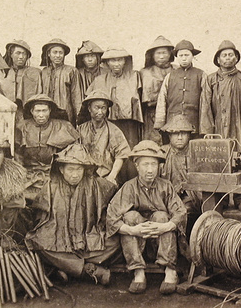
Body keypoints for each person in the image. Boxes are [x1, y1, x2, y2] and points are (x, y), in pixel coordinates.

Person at [26, 143, 119, 286]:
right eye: (70, 169)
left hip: (88, 240)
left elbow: (113, 200)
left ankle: (64, 267)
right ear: (62, 169)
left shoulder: (97, 185)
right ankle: (88, 270)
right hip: (60, 240)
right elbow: (39, 218)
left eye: (79, 169)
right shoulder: (51, 187)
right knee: (38, 242)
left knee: (116, 241)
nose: (75, 174)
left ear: (85, 169)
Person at [106, 140, 187, 295]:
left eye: (153, 165)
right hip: (138, 241)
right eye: (145, 165)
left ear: (159, 166)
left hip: (160, 240)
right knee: (129, 216)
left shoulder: (166, 186)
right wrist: (132, 230)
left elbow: (180, 212)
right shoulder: (129, 187)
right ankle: (138, 271)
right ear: (137, 166)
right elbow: (111, 216)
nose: (150, 170)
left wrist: (166, 226)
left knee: (162, 216)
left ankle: (170, 270)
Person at [200, 40, 241, 212]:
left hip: (238, 127)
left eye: (231, 55)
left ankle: (240, 198)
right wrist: (208, 132)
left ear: (236, 57)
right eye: (224, 55)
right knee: (220, 162)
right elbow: (205, 107)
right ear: (218, 59)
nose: (228, 58)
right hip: (218, 129)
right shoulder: (211, 80)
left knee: (240, 161)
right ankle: (222, 200)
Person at [15, 94, 80, 198]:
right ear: (32, 111)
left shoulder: (63, 126)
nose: (41, 115)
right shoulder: (22, 127)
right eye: (38, 111)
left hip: (54, 174)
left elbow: (73, 154)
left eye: (44, 110)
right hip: (28, 174)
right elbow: (17, 155)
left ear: (50, 110)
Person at [86, 48, 144, 149]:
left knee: (130, 147)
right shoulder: (99, 80)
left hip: (129, 123)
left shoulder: (134, 76)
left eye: (120, 60)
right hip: (107, 121)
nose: (116, 64)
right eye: (113, 60)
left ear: (125, 61)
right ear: (107, 62)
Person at [77, 90, 131, 186]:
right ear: (89, 108)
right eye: (96, 108)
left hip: (106, 176)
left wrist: (112, 176)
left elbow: (121, 155)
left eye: (103, 108)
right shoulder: (81, 129)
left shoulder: (114, 130)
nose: (100, 112)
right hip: (84, 176)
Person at [154, 40, 206, 136]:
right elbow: (162, 100)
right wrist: (160, 123)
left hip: (193, 124)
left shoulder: (201, 75)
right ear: (177, 57)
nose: (184, 58)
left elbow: (205, 102)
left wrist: (204, 128)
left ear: (193, 56)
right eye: (181, 56)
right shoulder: (170, 76)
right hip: (172, 124)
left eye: (187, 55)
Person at [160, 114, 202, 214]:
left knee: (186, 211)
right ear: (169, 135)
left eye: (183, 133)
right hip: (166, 198)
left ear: (189, 135)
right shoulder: (162, 153)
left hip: (190, 198)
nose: (179, 138)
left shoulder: (196, 153)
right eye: (175, 134)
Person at [38, 38, 83, 125]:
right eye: (55, 52)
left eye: (60, 53)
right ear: (48, 54)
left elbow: (76, 95)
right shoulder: (44, 72)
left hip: (66, 114)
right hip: (47, 114)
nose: (58, 55)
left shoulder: (71, 71)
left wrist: (78, 118)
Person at [140, 36, 174, 144]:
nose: (161, 56)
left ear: (170, 54)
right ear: (152, 56)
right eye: (158, 53)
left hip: (172, 113)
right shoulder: (144, 73)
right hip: (151, 115)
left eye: (164, 53)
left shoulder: (177, 70)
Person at [0, 39, 42, 122]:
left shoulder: (35, 72)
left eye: (24, 54)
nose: (21, 57)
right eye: (18, 53)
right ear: (11, 54)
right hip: (6, 112)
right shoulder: (1, 72)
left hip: (27, 114)